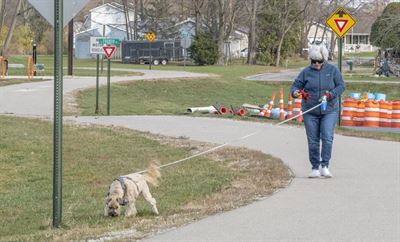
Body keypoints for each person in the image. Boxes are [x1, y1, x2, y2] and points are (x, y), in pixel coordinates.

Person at [291, 43, 345, 178]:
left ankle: (324, 166)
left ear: (324, 60)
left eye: (319, 62)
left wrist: (330, 94)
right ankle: (315, 167)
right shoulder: (306, 72)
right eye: (313, 61)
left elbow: (341, 86)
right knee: (313, 140)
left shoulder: (332, 70)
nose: (316, 64)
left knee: (327, 137)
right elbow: (295, 86)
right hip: (310, 111)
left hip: (330, 110)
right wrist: (296, 92)